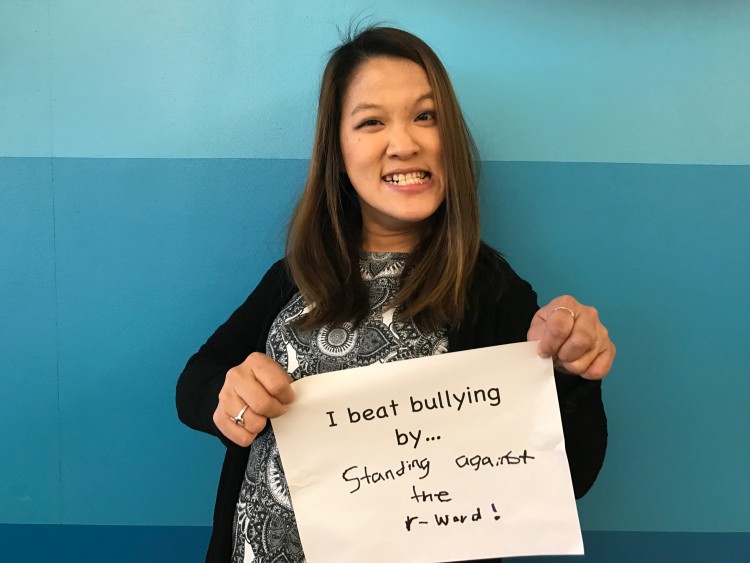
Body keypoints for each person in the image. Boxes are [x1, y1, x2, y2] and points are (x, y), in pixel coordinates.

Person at [177, 25, 615, 563]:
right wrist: (228, 396)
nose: (404, 142)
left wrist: (569, 376)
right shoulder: (297, 274)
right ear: (337, 149)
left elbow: (570, 475)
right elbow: (198, 377)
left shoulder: (488, 287)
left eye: (425, 116)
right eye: (371, 121)